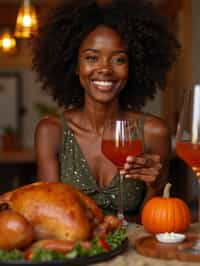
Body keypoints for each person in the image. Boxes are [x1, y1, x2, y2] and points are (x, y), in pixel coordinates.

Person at [32, 0, 179, 219]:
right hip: (78, 249)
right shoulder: (51, 131)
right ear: (75, 65)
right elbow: (51, 213)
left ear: (132, 68)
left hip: (132, 249)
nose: (104, 69)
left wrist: (155, 188)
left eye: (118, 59)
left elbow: (154, 220)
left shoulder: (153, 132)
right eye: (92, 58)